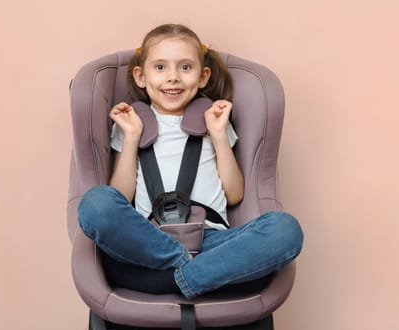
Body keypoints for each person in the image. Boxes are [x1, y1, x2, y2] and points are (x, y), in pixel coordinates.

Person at [78, 24, 303, 299]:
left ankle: (182, 277)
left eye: (185, 68)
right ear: (140, 76)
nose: (173, 78)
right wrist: (132, 137)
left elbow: (235, 194)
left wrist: (219, 135)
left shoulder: (214, 121)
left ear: (203, 76)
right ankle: (194, 273)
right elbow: (120, 197)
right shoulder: (130, 124)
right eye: (160, 67)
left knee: (285, 230)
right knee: (95, 203)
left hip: (212, 242)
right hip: (148, 243)